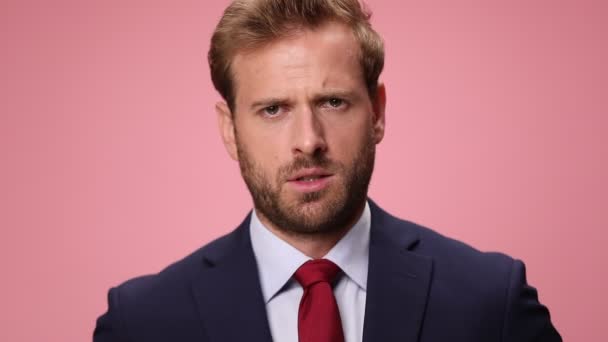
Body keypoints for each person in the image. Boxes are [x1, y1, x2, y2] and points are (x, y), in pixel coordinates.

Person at [94, 0, 561, 341]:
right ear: (230, 130)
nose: (308, 140)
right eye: (273, 109)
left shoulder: (490, 301)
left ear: (377, 113)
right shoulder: (142, 322)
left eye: (333, 102)